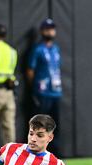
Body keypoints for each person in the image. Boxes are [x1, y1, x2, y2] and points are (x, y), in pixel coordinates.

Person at [27, 18, 62, 155]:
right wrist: (34, 88)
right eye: (47, 29)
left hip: (56, 92)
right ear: (42, 31)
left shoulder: (56, 49)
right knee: (39, 124)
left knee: (55, 124)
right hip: (42, 92)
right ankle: (36, 151)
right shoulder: (38, 49)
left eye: (52, 28)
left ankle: (54, 152)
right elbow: (30, 71)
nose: (50, 31)